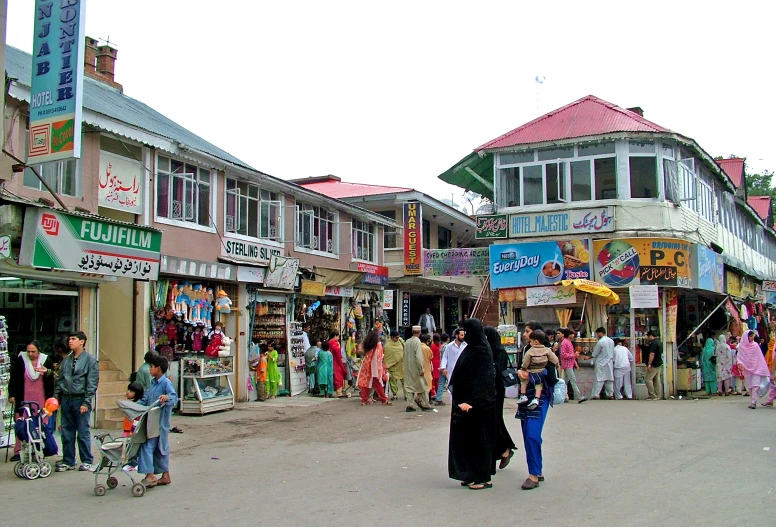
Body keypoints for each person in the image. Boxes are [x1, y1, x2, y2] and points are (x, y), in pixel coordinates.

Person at [448, 318, 497, 490]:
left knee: (479, 442)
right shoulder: (471, 349)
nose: (465, 335)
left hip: (478, 407)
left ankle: (483, 478)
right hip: (465, 406)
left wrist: (471, 402)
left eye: (467, 331)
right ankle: (469, 474)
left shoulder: (482, 352)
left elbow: (483, 382)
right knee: (466, 441)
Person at [54, 330, 99, 472]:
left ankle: (86, 460)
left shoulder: (90, 360)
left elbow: (92, 383)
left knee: (83, 431)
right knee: (66, 431)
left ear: (82, 341)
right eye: (70, 339)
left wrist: (86, 402)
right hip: (67, 398)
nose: (70, 341)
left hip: (80, 399)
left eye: (73, 339)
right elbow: (60, 380)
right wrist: (56, 397)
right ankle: (68, 460)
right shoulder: (66, 360)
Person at [8, 340, 55, 461]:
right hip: (24, 396)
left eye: (33, 351)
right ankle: (19, 450)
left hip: (41, 396)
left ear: (38, 351)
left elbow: (51, 379)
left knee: (40, 423)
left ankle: (40, 448)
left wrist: (51, 398)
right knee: (22, 421)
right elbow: (14, 377)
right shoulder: (21, 360)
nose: (30, 354)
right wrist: (12, 394)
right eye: (28, 351)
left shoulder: (45, 360)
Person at [137, 355, 179, 488]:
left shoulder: (165, 383)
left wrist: (166, 398)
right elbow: (146, 398)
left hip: (159, 423)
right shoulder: (153, 383)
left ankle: (150, 475)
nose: (149, 369)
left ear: (158, 368)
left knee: (147, 447)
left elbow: (174, 397)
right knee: (159, 449)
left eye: (151, 367)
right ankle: (165, 475)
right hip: (151, 421)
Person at [515, 362, 555, 490]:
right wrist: (519, 374)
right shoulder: (526, 349)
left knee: (532, 433)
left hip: (540, 397)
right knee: (528, 433)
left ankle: (533, 475)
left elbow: (552, 377)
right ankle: (536, 468)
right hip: (525, 397)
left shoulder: (546, 351)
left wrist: (531, 376)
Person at [484, 326, 516, 470]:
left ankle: (505, 449)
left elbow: (496, 369)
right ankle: (503, 450)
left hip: (497, 390)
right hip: (489, 390)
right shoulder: (489, 349)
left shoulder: (499, 351)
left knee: (495, 420)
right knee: (493, 421)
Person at [517, 330, 559, 410]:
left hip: (531, 371)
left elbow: (525, 362)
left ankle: (523, 395)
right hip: (541, 371)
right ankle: (536, 398)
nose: (530, 343)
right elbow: (555, 359)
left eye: (531, 341)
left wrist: (523, 369)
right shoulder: (547, 350)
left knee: (524, 382)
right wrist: (557, 364)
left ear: (536, 342)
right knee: (539, 385)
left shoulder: (530, 352)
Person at [736, 329, 770, 409]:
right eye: (750, 336)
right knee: (750, 386)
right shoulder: (742, 347)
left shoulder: (755, 346)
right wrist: (740, 364)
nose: (751, 338)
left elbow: (760, 358)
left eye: (752, 336)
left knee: (755, 385)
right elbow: (739, 357)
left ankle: (754, 402)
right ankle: (752, 400)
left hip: (757, 368)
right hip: (747, 369)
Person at [356, 330, 392, 406]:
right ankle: (384, 399)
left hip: (366, 364)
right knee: (377, 384)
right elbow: (379, 357)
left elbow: (361, 350)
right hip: (374, 366)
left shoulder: (367, 344)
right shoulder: (378, 344)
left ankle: (364, 400)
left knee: (365, 383)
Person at [581, 327, 614, 402]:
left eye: (597, 333)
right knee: (609, 379)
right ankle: (610, 394)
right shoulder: (611, 341)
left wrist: (588, 357)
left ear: (600, 333)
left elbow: (595, 353)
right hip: (609, 362)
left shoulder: (601, 342)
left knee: (599, 379)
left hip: (601, 362)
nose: (597, 335)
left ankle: (596, 394)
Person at [403, 326, 432, 412]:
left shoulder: (407, 342)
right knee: (423, 386)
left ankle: (410, 405)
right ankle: (426, 404)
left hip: (408, 367)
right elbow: (419, 357)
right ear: (419, 333)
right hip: (416, 368)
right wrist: (421, 369)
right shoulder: (418, 342)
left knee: (410, 387)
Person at [437, 328, 466, 406]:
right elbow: (445, 357)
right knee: (451, 389)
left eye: (464, 335)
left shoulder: (466, 346)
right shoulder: (449, 346)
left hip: (463, 371)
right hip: (451, 371)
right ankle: (454, 406)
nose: (463, 337)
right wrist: (443, 367)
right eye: (461, 335)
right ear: (456, 335)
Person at [559, 329, 584, 402]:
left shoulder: (568, 342)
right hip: (567, 364)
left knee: (565, 381)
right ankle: (579, 396)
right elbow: (563, 354)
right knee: (572, 380)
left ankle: (564, 396)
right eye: (572, 334)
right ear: (569, 335)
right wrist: (574, 355)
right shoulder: (565, 343)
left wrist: (575, 364)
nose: (573, 335)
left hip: (570, 364)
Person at [383, 330, 406, 401]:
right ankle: (395, 394)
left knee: (404, 380)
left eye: (398, 337)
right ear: (392, 337)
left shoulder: (401, 341)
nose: (397, 339)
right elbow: (386, 355)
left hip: (401, 364)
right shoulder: (387, 344)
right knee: (392, 380)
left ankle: (407, 395)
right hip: (392, 365)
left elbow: (406, 349)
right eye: (396, 337)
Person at [643, 330, 663, 400]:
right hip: (659, 363)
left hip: (654, 364)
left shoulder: (653, 343)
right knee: (656, 379)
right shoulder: (659, 342)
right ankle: (657, 395)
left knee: (647, 379)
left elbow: (652, 354)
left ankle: (652, 395)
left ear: (651, 335)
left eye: (648, 336)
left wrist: (649, 364)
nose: (648, 338)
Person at [329, 331, 348, 398]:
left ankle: (336, 391)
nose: (338, 338)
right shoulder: (335, 343)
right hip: (336, 362)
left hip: (331, 361)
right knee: (338, 376)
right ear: (335, 336)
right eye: (338, 336)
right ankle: (339, 392)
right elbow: (337, 354)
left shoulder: (330, 342)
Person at [420, 334, 434, 399]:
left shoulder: (417, 347)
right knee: (428, 384)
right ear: (427, 341)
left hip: (419, 369)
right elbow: (431, 357)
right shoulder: (427, 348)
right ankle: (428, 400)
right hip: (427, 368)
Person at [430, 333, 442, 398]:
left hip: (433, 362)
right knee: (438, 380)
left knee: (433, 379)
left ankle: (433, 392)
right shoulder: (441, 345)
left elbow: (431, 355)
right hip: (439, 363)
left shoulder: (432, 346)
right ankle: (437, 393)